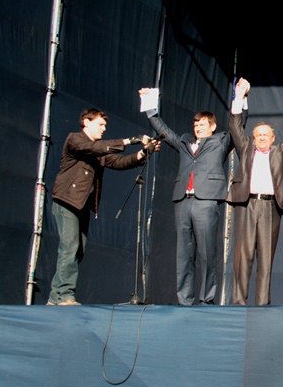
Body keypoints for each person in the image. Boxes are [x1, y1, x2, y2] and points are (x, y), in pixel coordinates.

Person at [47, 108, 155, 305]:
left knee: (77, 250)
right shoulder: (75, 140)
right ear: (86, 123)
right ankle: (65, 295)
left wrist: (142, 153)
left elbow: (119, 161)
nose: (104, 128)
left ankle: (55, 297)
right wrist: (130, 140)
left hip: (82, 204)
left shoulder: (99, 149)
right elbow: (94, 149)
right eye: (100, 124)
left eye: (105, 125)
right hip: (67, 201)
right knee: (70, 247)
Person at [139, 87, 235, 305]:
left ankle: (207, 298)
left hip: (206, 201)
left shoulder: (220, 141)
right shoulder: (184, 141)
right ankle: (185, 299)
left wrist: (240, 99)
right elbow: (164, 130)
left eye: (202, 124)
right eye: (196, 124)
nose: (198, 128)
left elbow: (237, 125)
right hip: (183, 201)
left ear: (212, 126)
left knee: (207, 253)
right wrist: (149, 106)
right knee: (184, 253)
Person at [226, 78, 283, 305]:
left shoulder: (281, 151)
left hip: (271, 207)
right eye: (258, 134)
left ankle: (262, 303)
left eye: (266, 135)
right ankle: (238, 302)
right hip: (247, 204)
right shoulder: (246, 148)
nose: (262, 137)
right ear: (253, 138)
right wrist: (239, 96)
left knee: (266, 258)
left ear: (272, 138)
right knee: (242, 257)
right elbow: (235, 126)